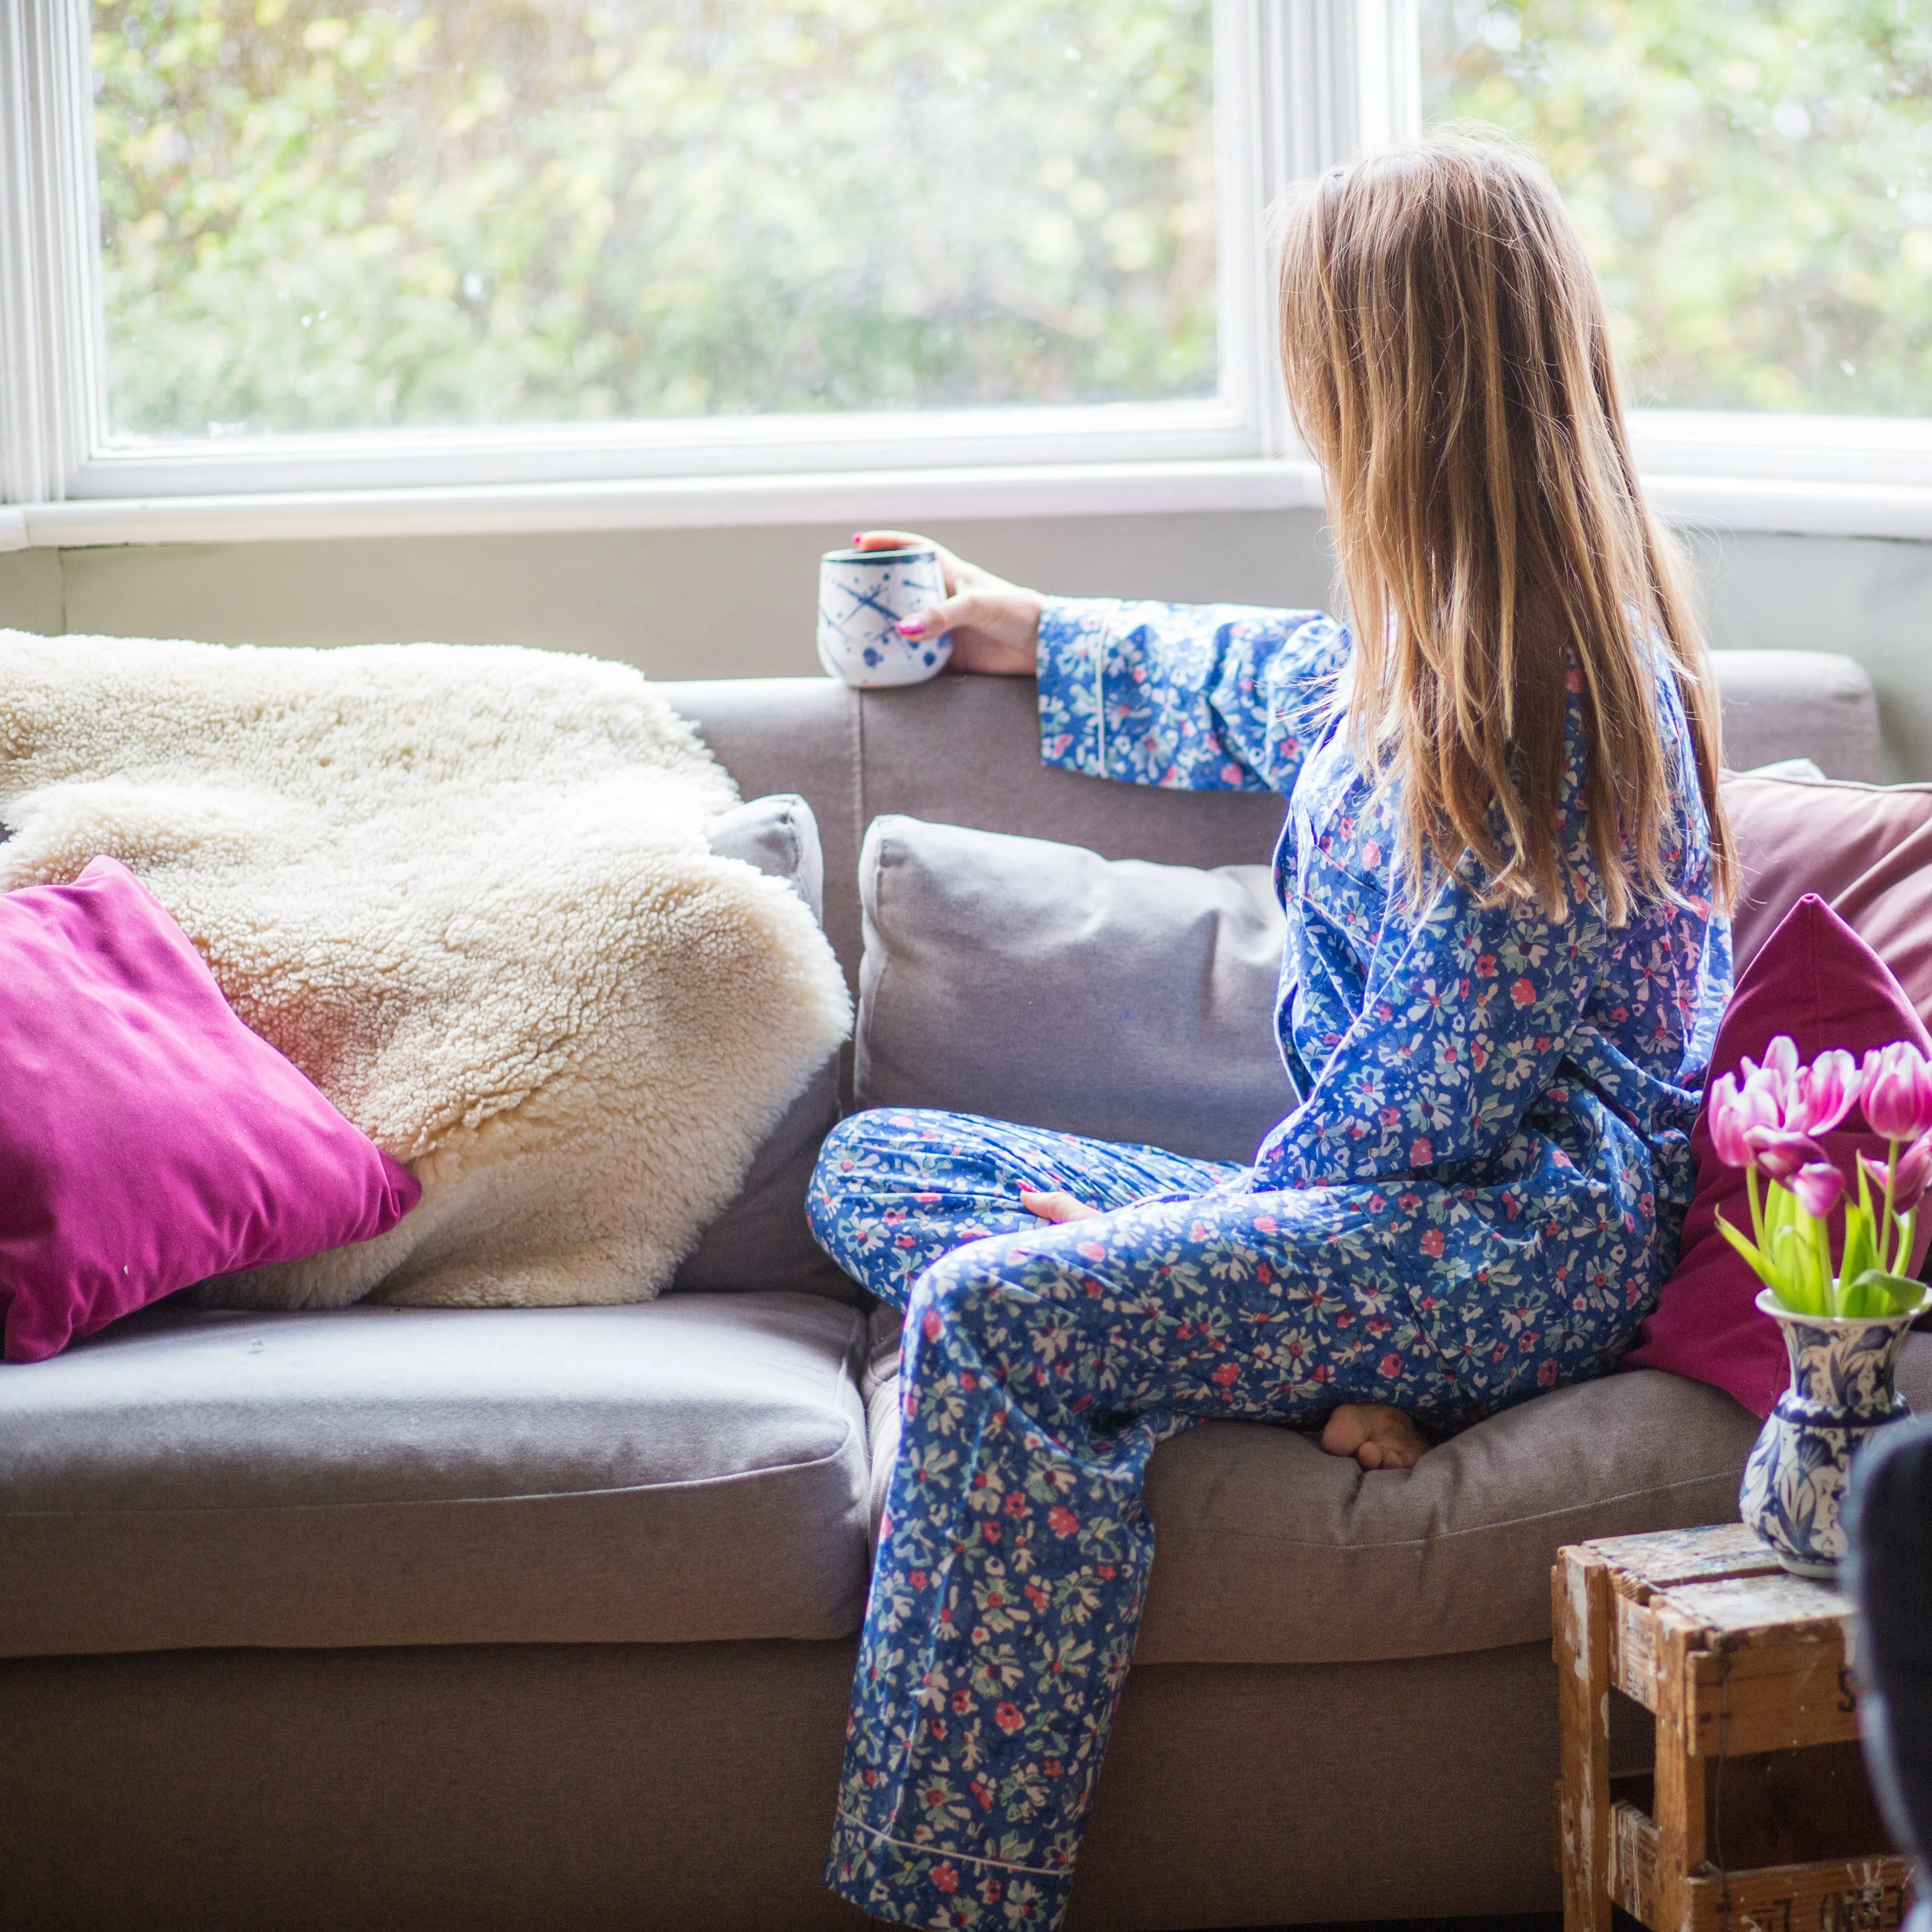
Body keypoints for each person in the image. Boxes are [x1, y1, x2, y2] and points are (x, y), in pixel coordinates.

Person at [808, 133, 1736, 1932]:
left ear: (1397, 386)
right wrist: (1018, 629)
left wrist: (1196, 1246)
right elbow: (1244, 678)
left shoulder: (1558, 693)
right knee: (874, 1165)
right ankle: (1290, 1368)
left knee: (988, 1319)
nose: (1306, 408)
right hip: (1377, 1230)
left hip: (1515, 1241)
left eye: (1318, 364)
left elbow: (1438, 1088)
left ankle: (947, 1893)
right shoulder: (1411, 645)